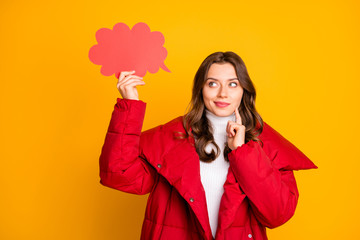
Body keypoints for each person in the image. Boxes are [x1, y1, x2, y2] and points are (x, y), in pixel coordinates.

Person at [99, 51, 317, 240]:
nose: (223, 93)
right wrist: (130, 104)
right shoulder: (170, 138)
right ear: (200, 89)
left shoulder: (265, 143)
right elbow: (118, 174)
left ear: (244, 90)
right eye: (213, 83)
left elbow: (277, 214)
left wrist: (243, 152)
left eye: (233, 84)